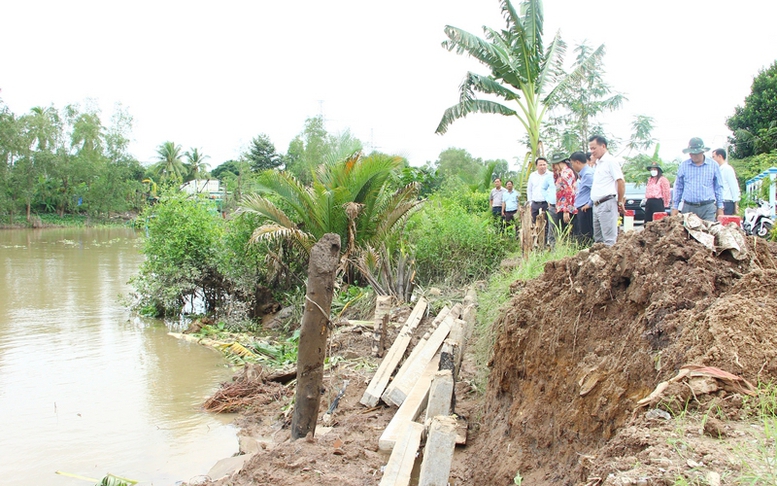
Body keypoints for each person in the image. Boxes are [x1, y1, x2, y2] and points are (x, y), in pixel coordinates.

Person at [671, 137, 724, 222]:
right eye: (691, 153)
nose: (693, 156)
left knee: (708, 232)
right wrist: (675, 207)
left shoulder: (713, 165)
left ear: (702, 152)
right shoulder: (684, 166)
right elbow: (678, 187)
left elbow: (718, 187)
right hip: (688, 207)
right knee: (687, 233)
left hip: (707, 207)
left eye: (696, 153)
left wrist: (720, 207)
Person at [588, 135, 625, 246]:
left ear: (603, 146)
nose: (592, 151)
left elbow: (620, 182)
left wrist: (620, 200)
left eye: (594, 148)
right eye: (591, 149)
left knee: (609, 241)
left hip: (606, 203)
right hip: (597, 205)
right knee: (598, 241)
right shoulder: (599, 163)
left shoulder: (610, 161)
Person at [550, 153, 576, 244]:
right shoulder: (561, 174)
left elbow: (568, 192)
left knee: (567, 233)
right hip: (561, 207)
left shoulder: (566, 173)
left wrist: (566, 210)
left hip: (566, 208)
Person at [570, 151, 593, 245]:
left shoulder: (588, 174)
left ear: (578, 162)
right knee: (581, 235)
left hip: (585, 209)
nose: (572, 167)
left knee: (585, 236)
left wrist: (589, 204)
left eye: (572, 164)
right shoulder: (584, 174)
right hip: (581, 208)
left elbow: (595, 190)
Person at [712, 148, 740, 215]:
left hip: (727, 202)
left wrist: (736, 203)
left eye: (714, 157)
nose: (712, 159)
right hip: (719, 202)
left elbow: (733, 186)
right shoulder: (717, 169)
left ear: (720, 156)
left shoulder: (727, 169)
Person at [527, 157, 553, 224]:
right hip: (535, 204)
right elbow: (529, 190)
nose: (542, 166)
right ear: (536, 166)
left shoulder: (551, 175)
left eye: (544, 164)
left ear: (547, 165)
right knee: (534, 223)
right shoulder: (532, 175)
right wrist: (530, 203)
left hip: (547, 204)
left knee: (547, 224)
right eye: (540, 165)